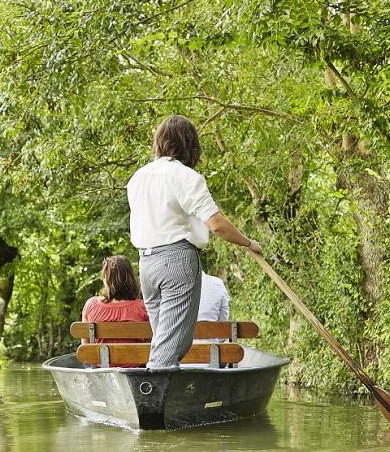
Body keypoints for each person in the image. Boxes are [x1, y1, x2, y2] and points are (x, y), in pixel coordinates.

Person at [127, 115, 262, 369]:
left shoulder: (137, 178)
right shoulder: (185, 177)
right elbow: (217, 224)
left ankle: (161, 396)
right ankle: (152, 400)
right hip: (177, 259)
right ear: (190, 145)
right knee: (172, 345)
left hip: (146, 264)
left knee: (163, 340)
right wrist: (248, 243)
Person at [82, 256, 148, 362]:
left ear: (106, 279)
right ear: (130, 278)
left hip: (101, 367)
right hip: (136, 367)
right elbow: (149, 346)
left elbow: (86, 349)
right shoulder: (143, 307)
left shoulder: (91, 305)